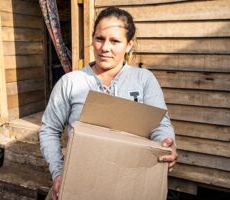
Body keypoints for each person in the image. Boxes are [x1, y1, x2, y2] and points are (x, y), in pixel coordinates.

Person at [39, 6, 177, 200]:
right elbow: (49, 130)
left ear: (129, 44)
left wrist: (166, 144)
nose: (105, 48)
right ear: (92, 39)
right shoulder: (71, 82)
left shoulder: (144, 80)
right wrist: (59, 173)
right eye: (99, 38)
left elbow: (160, 125)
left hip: (130, 182)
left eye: (115, 41)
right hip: (78, 183)